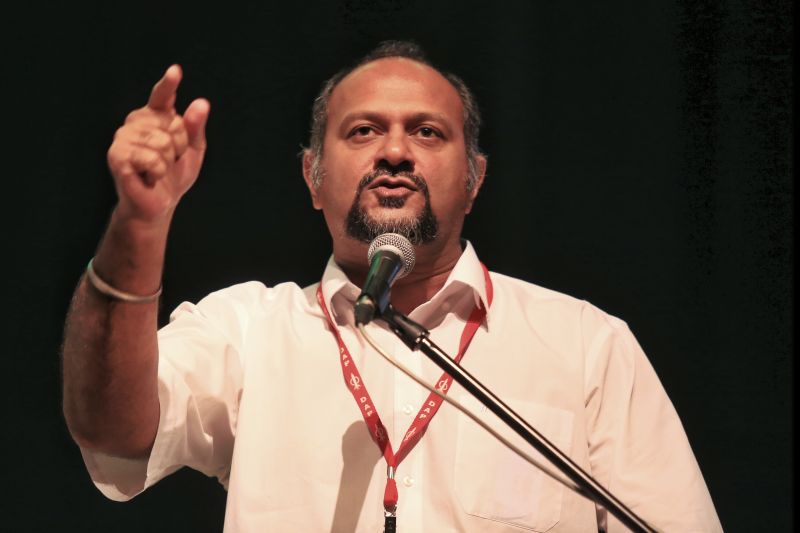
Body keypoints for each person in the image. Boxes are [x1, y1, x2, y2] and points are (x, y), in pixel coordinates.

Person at [62, 41, 722, 532]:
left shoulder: (585, 346)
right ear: (313, 177)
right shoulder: (247, 332)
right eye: (363, 130)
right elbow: (111, 429)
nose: (396, 152)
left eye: (427, 132)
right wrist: (138, 226)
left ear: (475, 179)